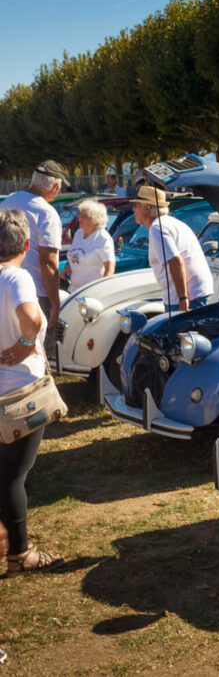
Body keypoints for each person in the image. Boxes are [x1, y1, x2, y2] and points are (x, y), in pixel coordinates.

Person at [0, 208, 63, 575]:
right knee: (12, 476)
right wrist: (27, 340)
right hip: (19, 395)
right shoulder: (16, 278)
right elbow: (33, 317)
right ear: (26, 244)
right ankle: (21, 555)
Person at [0, 160, 68, 356]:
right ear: (55, 187)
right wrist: (55, 304)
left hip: (5, 281)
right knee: (36, 352)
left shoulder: (9, 201)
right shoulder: (47, 213)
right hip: (36, 291)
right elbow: (48, 263)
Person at [133, 185, 213, 312]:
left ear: (147, 207)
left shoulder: (157, 228)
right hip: (197, 291)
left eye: (136, 204)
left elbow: (175, 261)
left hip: (186, 295)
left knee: (179, 331)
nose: (133, 209)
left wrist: (183, 299)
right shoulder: (171, 223)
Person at [61, 199, 115, 292]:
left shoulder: (103, 237)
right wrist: (68, 268)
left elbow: (110, 267)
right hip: (74, 290)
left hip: (92, 292)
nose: (80, 218)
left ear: (96, 220)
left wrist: (102, 289)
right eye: (80, 215)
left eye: (84, 216)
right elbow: (76, 254)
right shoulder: (79, 233)